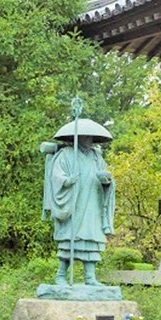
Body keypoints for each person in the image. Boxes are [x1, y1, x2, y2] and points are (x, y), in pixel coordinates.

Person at [42, 118, 115, 286]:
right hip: (74, 203)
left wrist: (106, 181)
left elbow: (105, 174)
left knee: (91, 239)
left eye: (91, 137)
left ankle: (90, 277)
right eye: (85, 137)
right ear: (77, 137)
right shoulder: (66, 154)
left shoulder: (97, 157)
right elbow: (56, 176)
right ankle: (61, 275)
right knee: (70, 239)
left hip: (93, 203)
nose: (89, 140)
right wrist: (66, 181)